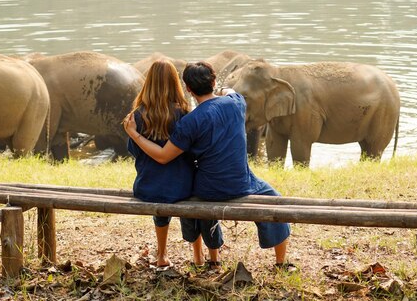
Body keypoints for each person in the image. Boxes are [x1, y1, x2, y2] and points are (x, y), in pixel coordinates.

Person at [124, 61, 294, 270]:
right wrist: (222, 89)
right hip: (242, 183)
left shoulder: (190, 122)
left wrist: (134, 134)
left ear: (188, 88)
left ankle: (204, 257)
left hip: (208, 188)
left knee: (193, 198)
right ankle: (281, 263)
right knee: (274, 200)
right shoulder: (236, 102)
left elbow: (163, 156)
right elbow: (231, 91)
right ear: (213, 81)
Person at [126, 60, 220, 270]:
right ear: (175, 82)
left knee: (160, 187)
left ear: (148, 83)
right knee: (189, 192)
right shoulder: (184, 114)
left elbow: (133, 150)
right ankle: (201, 255)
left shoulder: (137, 116)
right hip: (181, 187)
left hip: (146, 188)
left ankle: (161, 255)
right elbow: (193, 151)